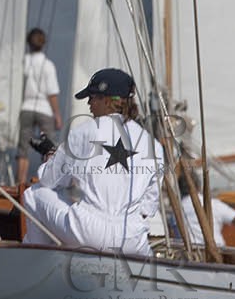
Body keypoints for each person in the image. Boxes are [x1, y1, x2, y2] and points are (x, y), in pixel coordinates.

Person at [20, 68, 161, 256]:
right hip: (132, 239)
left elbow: (48, 181)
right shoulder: (154, 145)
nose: (88, 103)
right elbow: (148, 207)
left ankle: (35, 261)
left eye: (92, 97)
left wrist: (50, 160)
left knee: (34, 194)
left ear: (107, 100)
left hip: (89, 233)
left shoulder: (85, 131)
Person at [16, 29, 61, 187]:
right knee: (49, 148)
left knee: (23, 149)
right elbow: (52, 93)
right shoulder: (48, 65)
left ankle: (20, 184)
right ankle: (47, 182)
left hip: (26, 108)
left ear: (28, 43)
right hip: (44, 110)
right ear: (44, 44)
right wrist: (57, 115)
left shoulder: (24, 62)